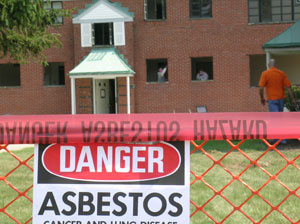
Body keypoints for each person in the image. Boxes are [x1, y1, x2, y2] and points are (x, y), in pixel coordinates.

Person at [259, 58, 297, 144]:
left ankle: (278, 140)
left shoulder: (265, 74)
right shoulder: (281, 73)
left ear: (268, 66)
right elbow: (288, 87)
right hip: (281, 100)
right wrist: (293, 99)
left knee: (275, 120)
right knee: (279, 119)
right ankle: (280, 139)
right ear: (276, 65)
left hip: (272, 100)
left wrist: (261, 98)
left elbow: (261, 88)